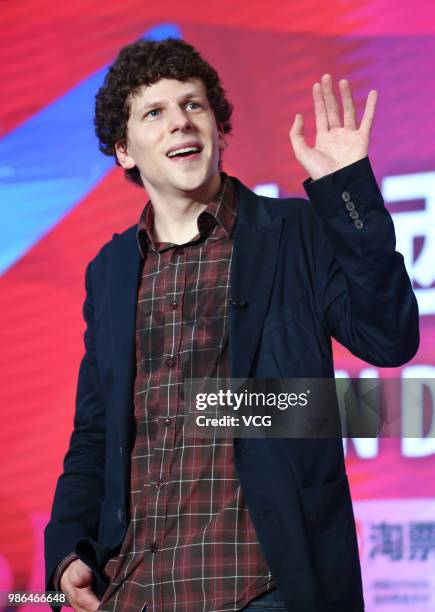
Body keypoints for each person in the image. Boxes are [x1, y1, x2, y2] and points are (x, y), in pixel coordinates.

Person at [44, 38, 419, 612]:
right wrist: (69, 551)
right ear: (124, 150)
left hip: (265, 588)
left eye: (193, 106)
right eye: (155, 112)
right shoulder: (111, 271)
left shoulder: (294, 232)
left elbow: (390, 340)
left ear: (218, 127)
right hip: (136, 589)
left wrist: (348, 190)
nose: (179, 123)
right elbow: (96, 431)